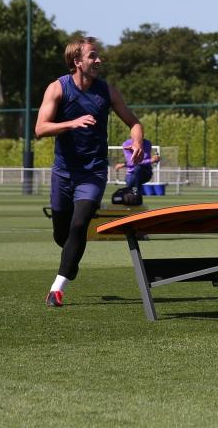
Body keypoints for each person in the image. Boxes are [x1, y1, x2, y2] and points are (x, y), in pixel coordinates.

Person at [35, 36, 145, 307]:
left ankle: (57, 288)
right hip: (63, 173)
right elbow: (40, 128)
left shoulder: (107, 91)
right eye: (93, 56)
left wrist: (138, 140)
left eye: (99, 56)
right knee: (62, 235)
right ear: (77, 61)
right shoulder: (57, 88)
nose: (99, 61)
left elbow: (134, 122)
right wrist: (71, 123)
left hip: (93, 173)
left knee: (80, 224)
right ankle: (70, 261)